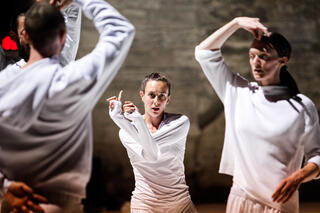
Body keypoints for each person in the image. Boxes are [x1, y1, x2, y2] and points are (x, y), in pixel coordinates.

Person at [0, 0, 135, 212]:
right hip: (60, 203)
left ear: (24, 36)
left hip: (14, 199)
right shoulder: (71, 80)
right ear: (63, 38)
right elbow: (121, 30)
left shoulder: (4, 83)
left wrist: (4, 184)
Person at [195, 17, 320, 213]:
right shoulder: (237, 92)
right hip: (241, 199)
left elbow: (317, 155)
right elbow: (203, 52)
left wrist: (299, 176)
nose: (256, 62)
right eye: (252, 56)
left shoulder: (302, 106)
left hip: (280, 204)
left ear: (282, 60)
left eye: (263, 56)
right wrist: (235, 23)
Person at [107, 73, 197, 213]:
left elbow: (150, 144)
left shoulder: (180, 122)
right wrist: (126, 121)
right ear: (142, 95)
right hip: (145, 204)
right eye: (151, 95)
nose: (156, 101)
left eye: (162, 96)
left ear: (168, 99)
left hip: (180, 204)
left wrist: (124, 121)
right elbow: (151, 154)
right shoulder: (125, 132)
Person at [0, 0, 82, 73]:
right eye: (26, 31)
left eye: (38, 29)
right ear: (14, 36)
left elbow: (72, 12)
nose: (33, 36)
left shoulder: (58, 66)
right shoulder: (8, 77)